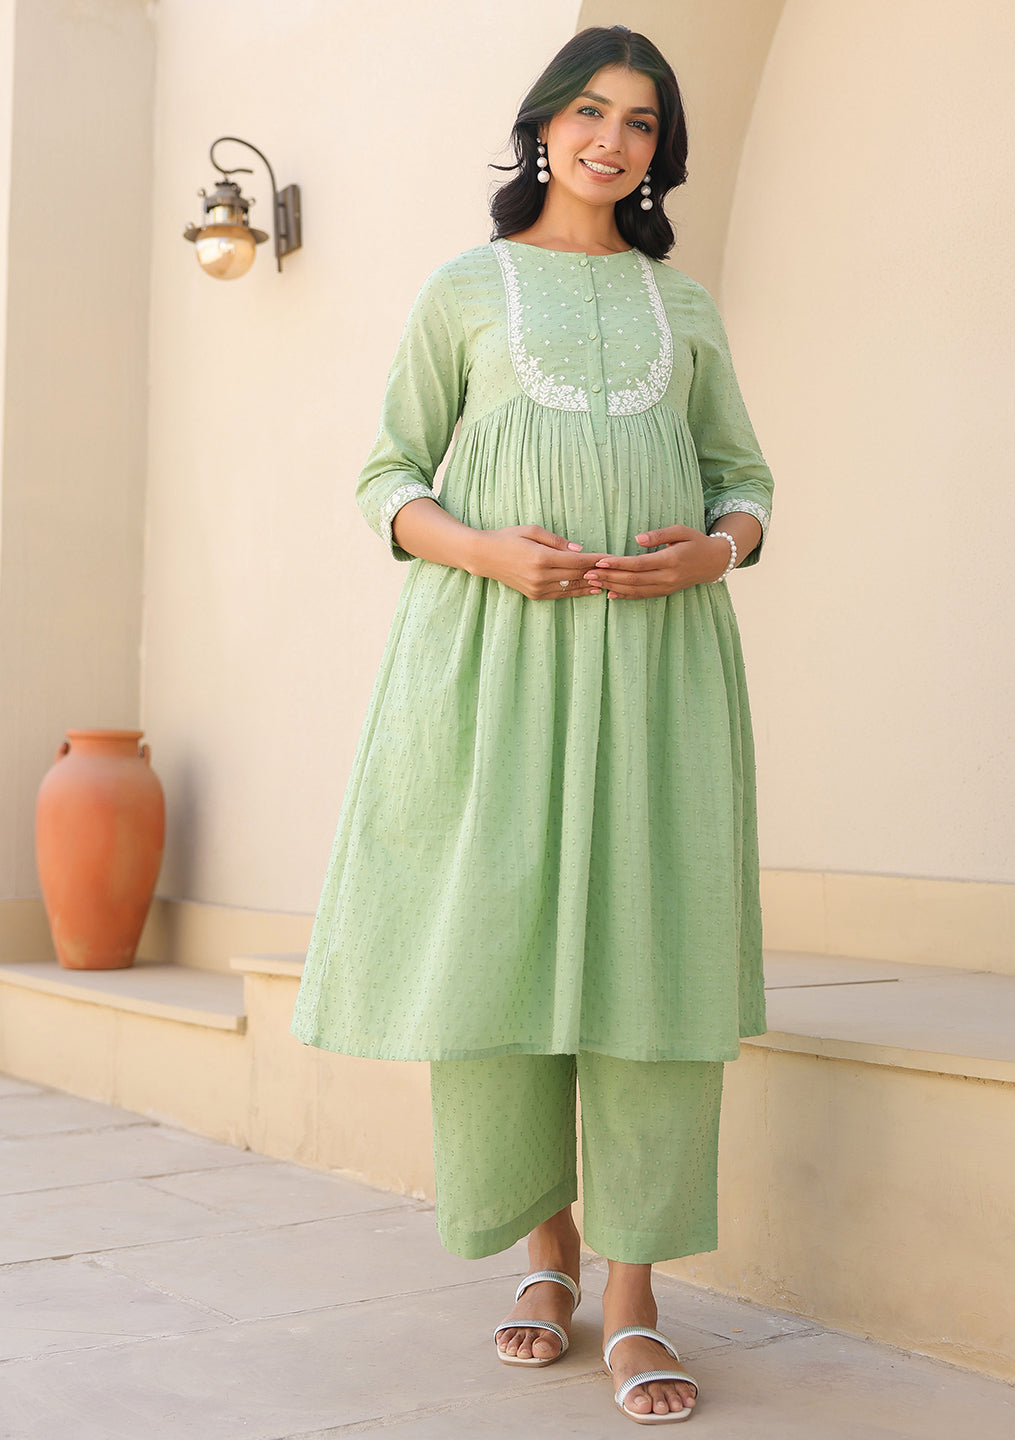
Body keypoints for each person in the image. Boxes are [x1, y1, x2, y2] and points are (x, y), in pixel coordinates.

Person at [290, 23, 774, 1426]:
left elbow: (746, 480)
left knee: (652, 963)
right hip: (493, 668)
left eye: (641, 121)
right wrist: (487, 551)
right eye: (590, 112)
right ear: (545, 125)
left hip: (660, 676)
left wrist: (715, 553)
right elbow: (387, 474)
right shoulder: (463, 289)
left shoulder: (685, 305)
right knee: (501, 953)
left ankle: (635, 1296)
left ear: (660, 152)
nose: (612, 139)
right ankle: (545, 1254)